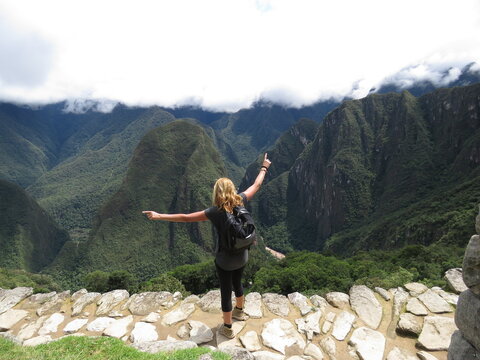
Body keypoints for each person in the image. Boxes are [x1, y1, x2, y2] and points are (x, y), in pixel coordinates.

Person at [142, 153, 271, 338]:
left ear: (216, 193)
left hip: (225, 260)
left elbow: (186, 218)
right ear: (232, 189)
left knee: (226, 291)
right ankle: (240, 311)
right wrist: (264, 167)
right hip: (243, 255)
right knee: (238, 282)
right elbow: (256, 185)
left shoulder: (214, 212)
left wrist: (159, 215)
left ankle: (227, 328)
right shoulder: (240, 199)